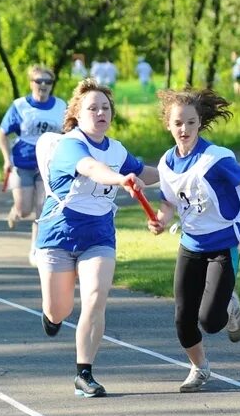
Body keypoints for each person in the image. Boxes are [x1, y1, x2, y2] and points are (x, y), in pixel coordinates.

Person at [34, 78, 159, 398]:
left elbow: (144, 171)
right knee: (59, 311)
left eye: (105, 107)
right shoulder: (70, 145)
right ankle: (51, 315)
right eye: (93, 108)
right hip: (59, 234)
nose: (100, 112)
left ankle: (84, 373)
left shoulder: (116, 149)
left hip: (99, 235)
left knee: (95, 297)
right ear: (77, 113)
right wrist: (120, 179)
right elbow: (91, 168)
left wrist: (182, 170)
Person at [146, 88, 240, 392]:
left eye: (190, 122)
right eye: (178, 123)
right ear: (168, 125)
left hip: (224, 244)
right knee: (182, 319)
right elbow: (169, 205)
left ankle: (228, 304)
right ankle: (199, 368)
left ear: (199, 123)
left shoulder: (215, 160)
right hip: (191, 245)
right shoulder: (166, 164)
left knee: (210, 322)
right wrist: (160, 221)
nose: (183, 129)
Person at [0, 65, 66, 266]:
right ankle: (15, 210)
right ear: (31, 83)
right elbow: (3, 133)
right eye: (39, 81)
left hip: (47, 165)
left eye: (48, 82)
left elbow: (69, 132)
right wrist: (6, 159)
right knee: (25, 210)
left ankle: (36, 249)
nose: (43, 85)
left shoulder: (61, 106)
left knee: (43, 208)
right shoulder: (20, 106)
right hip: (23, 163)